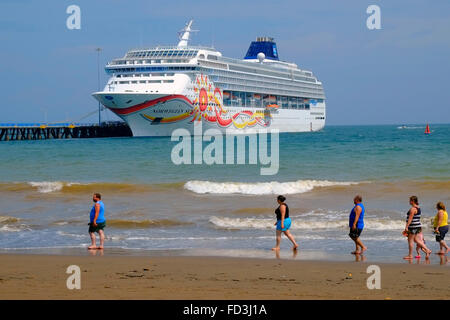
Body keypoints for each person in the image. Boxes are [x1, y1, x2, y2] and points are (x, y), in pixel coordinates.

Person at [403, 196, 431, 260]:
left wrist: (406, 227)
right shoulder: (418, 208)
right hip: (417, 226)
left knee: (410, 241)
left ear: (412, 201)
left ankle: (410, 255)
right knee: (417, 240)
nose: (409, 202)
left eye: (410, 200)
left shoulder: (413, 209)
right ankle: (428, 250)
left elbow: (410, 219)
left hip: (413, 227)